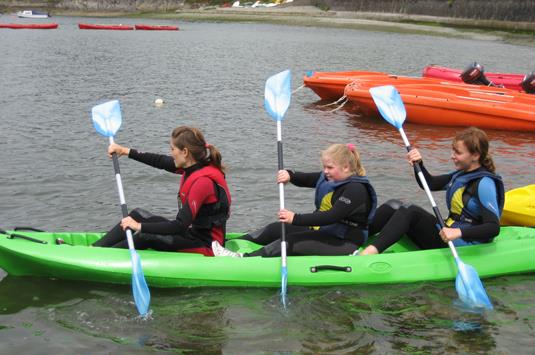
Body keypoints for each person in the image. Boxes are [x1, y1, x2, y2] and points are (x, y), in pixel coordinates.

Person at [212, 143, 377, 257]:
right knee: (276, 229)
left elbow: (332, 216)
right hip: (324, 231)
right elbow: (306, 178)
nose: (325, 171)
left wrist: (295, 218)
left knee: (290, 241)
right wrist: (290, 175)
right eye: (324, 167)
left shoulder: (355, 189)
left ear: (346, 167)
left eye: (330, 167)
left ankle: (243, 258)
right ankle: (226, 244)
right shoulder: (331, 178)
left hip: (344, 242)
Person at [360, 126, 504, 256]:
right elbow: (429, 184)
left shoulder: (485, 184)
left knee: (411, 211)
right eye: (453, 151)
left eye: (458, 152)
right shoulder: (461, 175)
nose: (452, 156)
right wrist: (419, 164)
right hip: (447, 232)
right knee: (394, 205)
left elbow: (493, 227)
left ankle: (368, 254)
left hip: (465, 243)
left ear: (476, 156)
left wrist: (457, 232)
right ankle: (353, 237)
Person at [93, 126, 231, 256]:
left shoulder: (203, 182)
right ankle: (95, 250)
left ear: (185, 152)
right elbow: (160, 161)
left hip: (208, 246)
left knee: (145, 236)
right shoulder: (192, 165)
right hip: (192, 234)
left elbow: (179, 226)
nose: (171, 153)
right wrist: (124, 150)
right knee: (138, 214)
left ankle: (103, 259)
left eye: (172, 149)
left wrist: (138, 226)